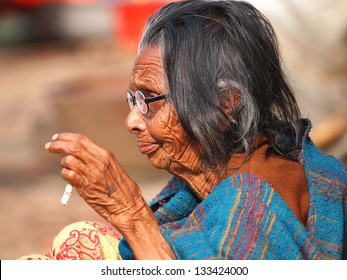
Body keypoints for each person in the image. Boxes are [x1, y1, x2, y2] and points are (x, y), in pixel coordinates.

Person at [20, 0, 346, 260]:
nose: (131, 121)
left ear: (225, 103)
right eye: (133, 98)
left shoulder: (249, 204)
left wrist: (131, 212)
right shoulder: (206, 182)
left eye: (150, 99)